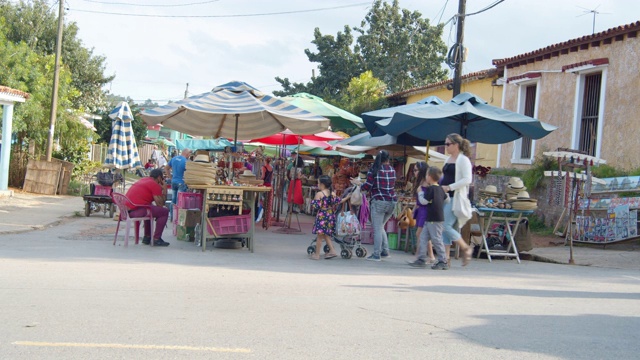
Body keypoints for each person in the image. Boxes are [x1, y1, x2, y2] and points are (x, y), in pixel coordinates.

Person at [435, 133, 474, 269]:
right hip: (446, 197)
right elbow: (444, 176)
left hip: (455, 197)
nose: (445, 146)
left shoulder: (463, 160)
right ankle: (445, 258)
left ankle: (465, 248)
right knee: (444, 227)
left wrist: (449, 187)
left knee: (445, 225)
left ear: (456, 145)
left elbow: (467, 179)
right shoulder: (448, 159)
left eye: (448, 144)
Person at [354, 150, 397, 262]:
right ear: (388, 159)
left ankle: (376, 254)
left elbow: (367, 187)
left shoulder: (373, 170)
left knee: (377, 228)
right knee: (381, 226)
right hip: (392, 202)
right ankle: (385, 251)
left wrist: (359, 184)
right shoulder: (392, 170)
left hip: (379, 201)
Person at [409, 166, 448, 268]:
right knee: (423, 237)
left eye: (426, 175)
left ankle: (443, 261)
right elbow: (446, 199)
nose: (426, 177)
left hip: (434, 219)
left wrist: (420, 192)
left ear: (430, 177)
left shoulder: (430, 189)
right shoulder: (440, 189)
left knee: (436, 239)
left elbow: (423, 201)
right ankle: (421, 258)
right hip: (431, 218)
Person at [125, 169, 170, 246]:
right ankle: (156, 238)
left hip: (126, 211)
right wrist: (164, 190)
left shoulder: (143, 180)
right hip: (136, 211)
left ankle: (147, 237)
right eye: (162, 179)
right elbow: (160, 205)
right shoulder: (154, 184)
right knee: (164, 212)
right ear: (159, 178)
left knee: (150, 207)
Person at [410, 162, 436, 264]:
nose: (414, 173)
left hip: (425, 210)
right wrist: (414, 209)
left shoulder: (426, 183)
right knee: (423, 234)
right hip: (421, 209)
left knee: (419, 234)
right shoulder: (421, 182)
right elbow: (418, 199)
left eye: (416, 170)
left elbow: (425, 198)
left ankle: (419, 257)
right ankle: (431, 256)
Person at [310, 175, 341, 260]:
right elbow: (338, 202)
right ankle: (332, 251)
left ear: (323, 184)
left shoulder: (319, 194)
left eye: (319, 183)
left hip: (322, 215)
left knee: (320, 236)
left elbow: (316, 206)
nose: (318, 184)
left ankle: (317, 255)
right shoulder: (333, 193)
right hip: (330, 215)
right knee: (325, 234)